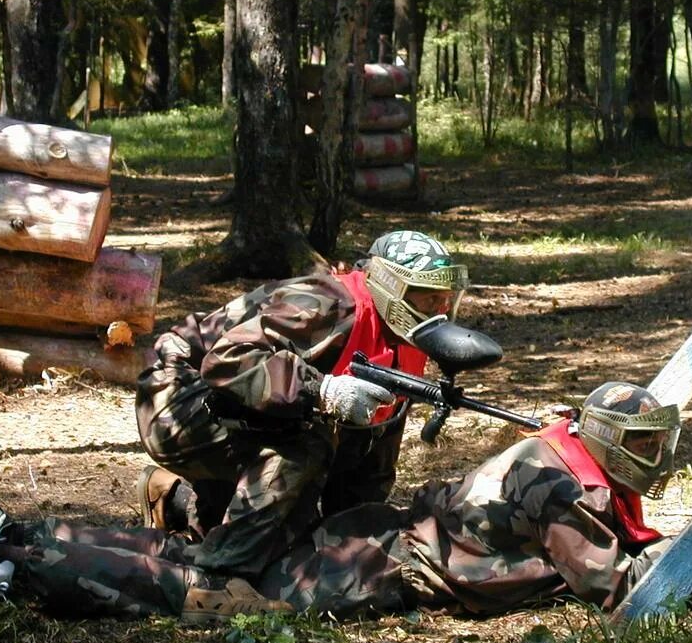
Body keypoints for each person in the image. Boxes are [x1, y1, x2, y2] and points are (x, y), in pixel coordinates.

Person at [0, 381, 692, 622]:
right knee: (207, 593)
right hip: (372, 566)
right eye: (644, 444)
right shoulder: (561, 490)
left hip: (377, 537)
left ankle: (26, 532)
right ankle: (9, 567)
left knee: (198, 561)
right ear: (606, 437)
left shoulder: (553, 452)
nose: (653, 460)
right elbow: (625, 595)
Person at [132, 230, 469, 578]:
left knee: (298, 534)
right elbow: (226, 362)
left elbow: (375, 447)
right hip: (178, 399)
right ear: (391, 287)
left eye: (445, 300)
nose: (439, 312)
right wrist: (321, 390)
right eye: (429, 300)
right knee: (308, 443)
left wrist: (349, 538)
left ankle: (174, 500)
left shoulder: (406, 339)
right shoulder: (325, 303)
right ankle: (220, 578)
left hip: (243, 407)